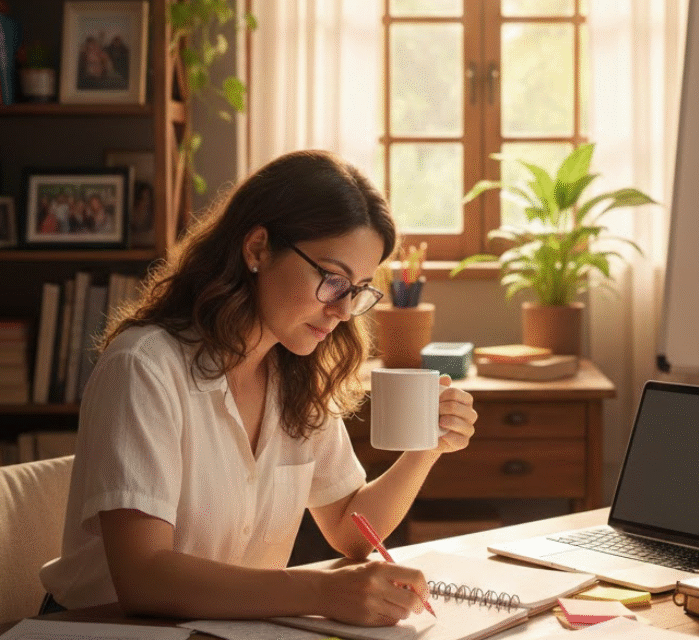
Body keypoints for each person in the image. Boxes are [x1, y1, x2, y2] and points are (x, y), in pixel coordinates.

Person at [38, 150, 477, 626]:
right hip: (105, 632)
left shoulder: (296, 375)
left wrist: (425, 448)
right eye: (333, 279)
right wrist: (320, 591)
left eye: (359, 289)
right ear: (257, 248)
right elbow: (144, 580)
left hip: (226, 630)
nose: (345, 311)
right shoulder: (145, 366)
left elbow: (352, 531)